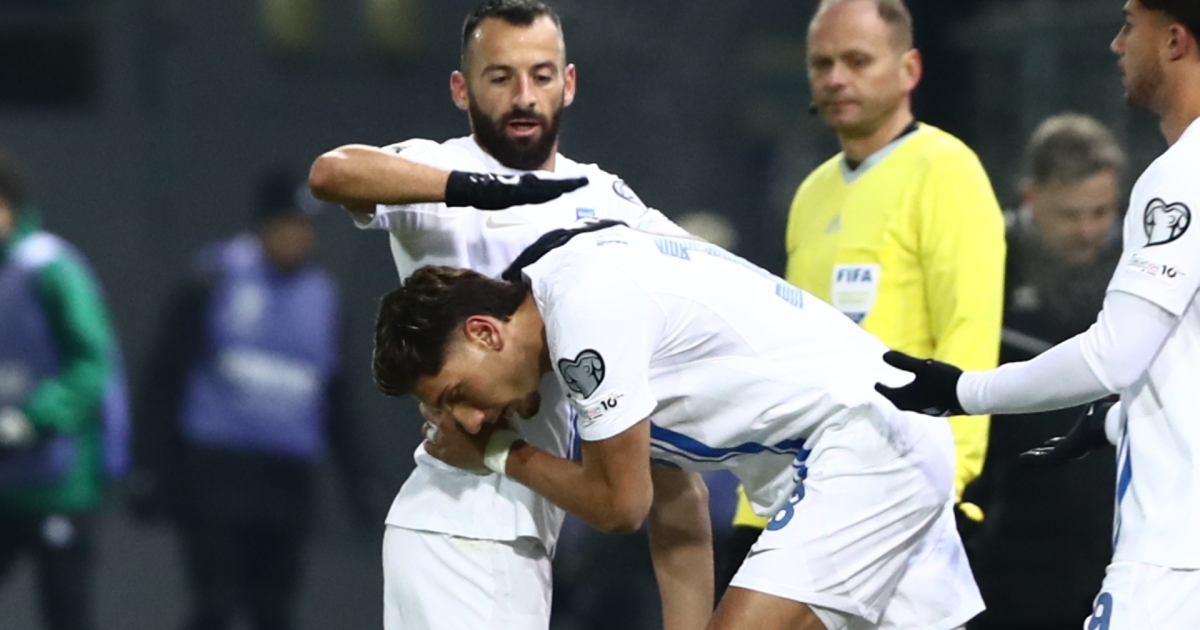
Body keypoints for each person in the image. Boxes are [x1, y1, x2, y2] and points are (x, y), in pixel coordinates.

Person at [375, 221, 984, 630]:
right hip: (887, 445)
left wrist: (498, 451)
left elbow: (621, 506)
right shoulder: (574, 299)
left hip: (865, 452)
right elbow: (674, 501)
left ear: (485, 332)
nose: (471, 418)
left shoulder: (584, 313)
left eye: (458, 394)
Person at [306, 2, 687, 628]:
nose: (524, 96)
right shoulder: (438, 167)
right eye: (500, 77)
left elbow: (705, 272)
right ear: (462, 89)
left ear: (569, 82)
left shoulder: (600, 194)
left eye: (541, 75)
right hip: (466, 520)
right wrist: (473, 188)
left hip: (512, 528)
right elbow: (331, 173)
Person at [875, 2, 1200, 627]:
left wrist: (964, 391)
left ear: (1174, 40)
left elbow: (1111, 356)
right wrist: (1117, 422)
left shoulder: (1181, 176)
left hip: (1172, 563)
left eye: (1130, 25)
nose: (1116, 44)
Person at [726, 0, 1006, 574]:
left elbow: (969, 337)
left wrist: (951, 484)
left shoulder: (946, 170)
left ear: (909, 70)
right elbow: (791, 359)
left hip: (900, 493)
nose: (835, 78)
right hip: (801, 497)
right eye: (821, 63)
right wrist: (755, 506)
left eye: (857, 61)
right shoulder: (811, 193)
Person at [133, 170, 371, 630]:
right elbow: (165, 377)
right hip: (215, 470)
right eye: (288, 224)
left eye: (306, 227)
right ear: (263, 224)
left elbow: (337, 399)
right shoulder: (216, 278)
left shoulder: (324, 298)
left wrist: (359, 480)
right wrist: (149, 465)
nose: (297, 237)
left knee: (274, 612)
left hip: (286, 478)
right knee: (215, 606)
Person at [964, 113, 1125, 630]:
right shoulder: (985, 264)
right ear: (1031, 197)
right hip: (1009, 547)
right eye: (1070, 214)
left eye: (1101, 212)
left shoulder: (1141, 268)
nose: (1089, 230)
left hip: (1116, 542)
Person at [0, 149, 125, 630]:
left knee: (66, 614)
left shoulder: (51, 268)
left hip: (59, 483)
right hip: (4, 483)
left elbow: (92, 364)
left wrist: (32, 419)